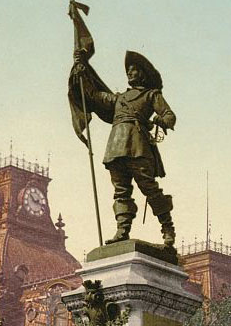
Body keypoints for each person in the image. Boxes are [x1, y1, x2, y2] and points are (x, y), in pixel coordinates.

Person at [73, 50, 177, 248]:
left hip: (138, 146)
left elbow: (169, 115)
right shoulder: (119, 98)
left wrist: (162, 121)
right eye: (128, 70)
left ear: (143, 75)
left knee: (149, 187)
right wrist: (81, 68)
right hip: (115, 147)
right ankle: (122, 230)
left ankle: (167, 228)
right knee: (121, 191)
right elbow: (94, 96)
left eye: (134, 70)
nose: (130, 72)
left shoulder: (151, 95)